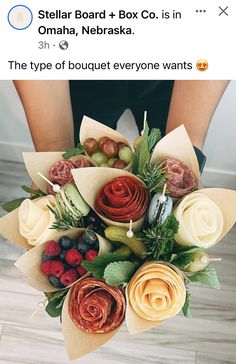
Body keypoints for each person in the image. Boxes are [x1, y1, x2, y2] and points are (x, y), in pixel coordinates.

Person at [13, 80, 229, 170]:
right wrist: (53, 149)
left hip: (174, 75)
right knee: (69, 160)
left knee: (178, 163)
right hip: (81, 73)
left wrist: (187, 147)